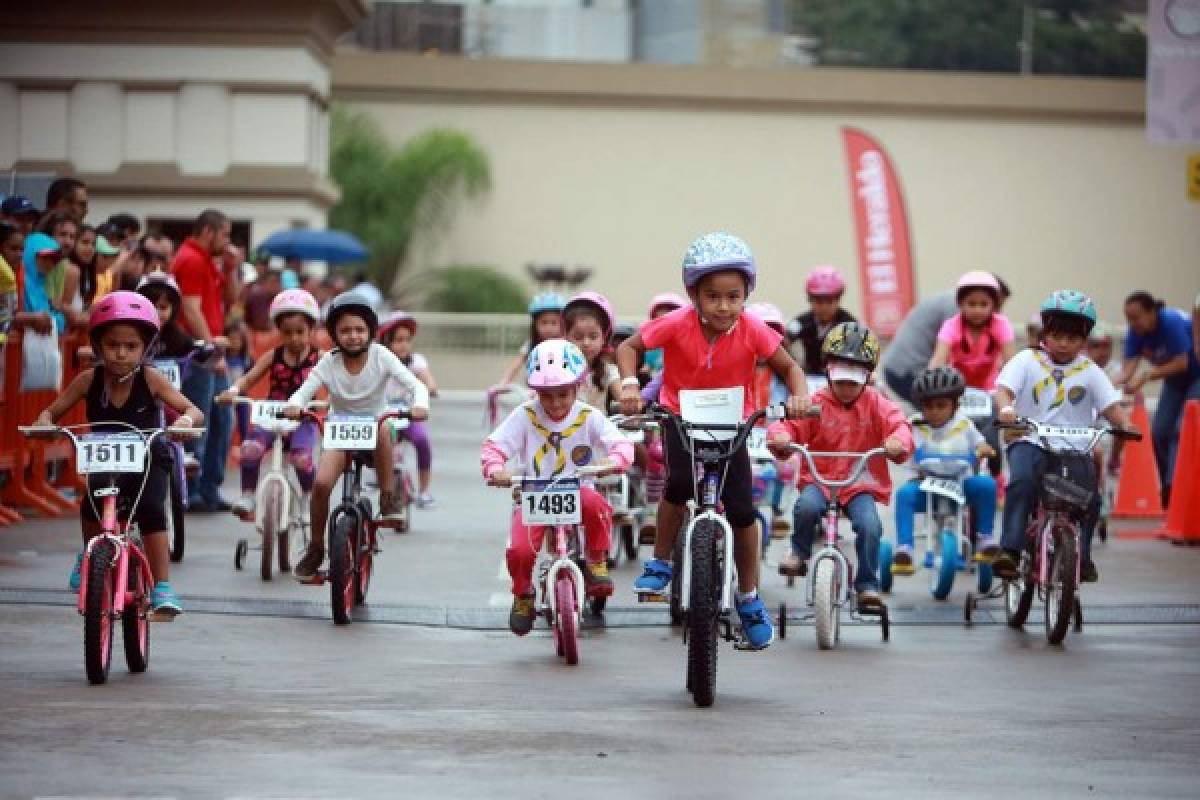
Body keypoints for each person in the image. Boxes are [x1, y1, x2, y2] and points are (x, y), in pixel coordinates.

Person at [617, 231, 810, 651]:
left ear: (746, 296)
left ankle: (749, 597)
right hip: (680, 417)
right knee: (679, 484)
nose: (724, 306)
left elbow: (789, 366)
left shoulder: (753, 329)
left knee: (742, 510)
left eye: (733, 296)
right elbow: (629, 347)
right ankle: (661, 561)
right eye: (713, 296)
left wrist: (799, 396)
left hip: (731, 422)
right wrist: (630, 385)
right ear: (694, 294)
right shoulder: (676, 323)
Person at [33, 291, 204, 616]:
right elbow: (49, 413)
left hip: (149, 456)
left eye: (131, 346)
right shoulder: (87, 380)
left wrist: (183, 421)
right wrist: (43, 423)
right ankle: (88, 555)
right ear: (98, 346)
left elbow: (193, 410)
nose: (121, 354)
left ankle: (163, 586)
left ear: (145, 348)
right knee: (90, 505)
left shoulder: (151, 379)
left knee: (152, 510)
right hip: (104, 457)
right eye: (112, 345)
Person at [483, 338, 632, 635]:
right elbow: (494, 446)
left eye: (562, 394)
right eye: (546, 395)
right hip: (533, 493)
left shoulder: (589, 416)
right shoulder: (525, 415)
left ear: (577, 387)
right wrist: (496, 468)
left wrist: (613, 460)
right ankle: (523, 594)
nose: (554, 403)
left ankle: (596, 560)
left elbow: (620, 444)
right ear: (535, 392)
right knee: (520, 551)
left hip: (577, 488)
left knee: (597, 505)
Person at [284, 292, 430, 581]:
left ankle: (389, 499)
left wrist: (420, 405)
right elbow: (304, 391)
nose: (353, 336)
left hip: (377, 430)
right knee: (322, 484)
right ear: (334, 335)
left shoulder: (382, 356)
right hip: (340, 429)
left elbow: (416, 386)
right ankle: (315, 546)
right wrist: (295, 405)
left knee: (383, 426)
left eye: (360, 330)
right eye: (345, 330)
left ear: (371, 332)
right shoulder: (328, 362)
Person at [767, 322, 913, 609]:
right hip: (820, 481)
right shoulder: (816, 402)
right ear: (828, 374)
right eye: (840, 381)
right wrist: (781, 436)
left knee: (870, 525)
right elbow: (790, 426)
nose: (846, 389)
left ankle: (867, 585)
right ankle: (799, 552)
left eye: (853, 382)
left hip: (860, 483)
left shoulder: (877, 403)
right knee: (806, 507)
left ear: (867, 378)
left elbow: (900, 425)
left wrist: (898, 440)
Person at [992, 290, 1134, 584]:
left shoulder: (1090, 371)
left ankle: (1082, 556)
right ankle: (1011, 550)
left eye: (1072, 338)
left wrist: (1126, 424)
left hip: (1073, 447)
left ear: (1084, 340)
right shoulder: (1027, 360)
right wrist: (1006, 409)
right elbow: (1004, 389)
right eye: (1057, 335)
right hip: (1030, 439)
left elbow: (1110, 406)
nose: (1064, 344)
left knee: (1091, 501)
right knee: (1021, 482)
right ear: (1046, 332)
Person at [217, 290, 322, 519]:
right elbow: (249, 377)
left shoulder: (320, 357)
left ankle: (308, 497)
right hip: (272, 414)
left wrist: (334, 404)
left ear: (311, 330)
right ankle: (248, 494)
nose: (294, 338)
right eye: (287, 333)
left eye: (300, 332)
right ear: (279, 332)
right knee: (250, 449)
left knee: (302, 459)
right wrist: (233, 390)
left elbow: (336, 382)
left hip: (303, 418)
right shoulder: (273, 356)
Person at [891, 366, 997, 574]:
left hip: (961, 483)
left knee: (986, 485)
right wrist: (896, 445)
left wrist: (983, 449)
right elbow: (901, 440)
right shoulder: (915, 425)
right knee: (904, 495)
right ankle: (905, 548)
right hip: (925, 485)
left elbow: (979, 444)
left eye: (941, 406)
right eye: (928, 406)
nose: (934, 412)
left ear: (955, 405)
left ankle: (984, 537)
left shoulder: (964, 425)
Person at [171, 209, 240, 512]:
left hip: (212, 354)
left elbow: (231, 297)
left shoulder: (208, 262)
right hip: (199, 356)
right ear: (208, 232)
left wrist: (232, 268)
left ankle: (210, 488)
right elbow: (190, 308)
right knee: (201, 422)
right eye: (224, 234)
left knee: (222, 421)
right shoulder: (191, 259)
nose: (227, 242)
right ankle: (195, 489)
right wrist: (210, 348)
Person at [1115, 291, 1200, 509]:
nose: (1133, 324)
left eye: (1136, 317)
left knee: (1181, 431)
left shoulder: (1170, 322)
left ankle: (1177, 485)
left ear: (1152, 312)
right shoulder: (1136, 333)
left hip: (1195, 376)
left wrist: (1145, 376)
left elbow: (1182, 363)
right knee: (1159, 431)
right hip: (1175, 382)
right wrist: (1109, 385)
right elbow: (1127, 369)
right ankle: (1166, 484)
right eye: (1129, 319)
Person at [379, 310, 438, 508]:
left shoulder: (416, 362)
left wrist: (431, 388)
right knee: (378, 443)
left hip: (409, 416)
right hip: (385, 417)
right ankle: (379, 477)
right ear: (386, 342)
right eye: (398, 340)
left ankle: (424, 491)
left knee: (422, 441)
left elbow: (427, 378)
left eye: (407, 339)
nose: (403, 344)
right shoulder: (378, 363)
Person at [786, 265, 857, 375]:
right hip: (808, 379)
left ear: (838, 299)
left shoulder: (850, 325)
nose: (824, 307)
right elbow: (783, 343)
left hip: (840, 381)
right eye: (818, 301)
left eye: (829, 301)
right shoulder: (799, 322)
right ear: (810, 299)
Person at [563, 291, 620, 410]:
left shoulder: (608, 370)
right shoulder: (559, 369)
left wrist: (630, 399)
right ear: (566, 337)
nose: (586, 343)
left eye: (593, 337)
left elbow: (622, 396)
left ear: (604, 338)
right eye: (578, 337)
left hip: (598, 428)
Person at [495, 292, 564, 386]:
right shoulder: (531, 344)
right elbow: (517, 364)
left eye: (554, 323)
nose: (549, 328)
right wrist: (504, 382)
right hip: (535, 389)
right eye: (544, 323)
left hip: (559, 388)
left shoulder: (565, 345)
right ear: (535, 325)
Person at [21, 233, 66, 334]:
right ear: (30, 255)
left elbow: (59, 324)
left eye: (54, 260)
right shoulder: (19, 283)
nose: (49, 263)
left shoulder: (41, 287)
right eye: (45, 258)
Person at [642, 292, 686, 376]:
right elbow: (647, 367)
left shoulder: (686, 344)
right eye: (661, 320)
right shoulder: (651, 347)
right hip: (658, 382)